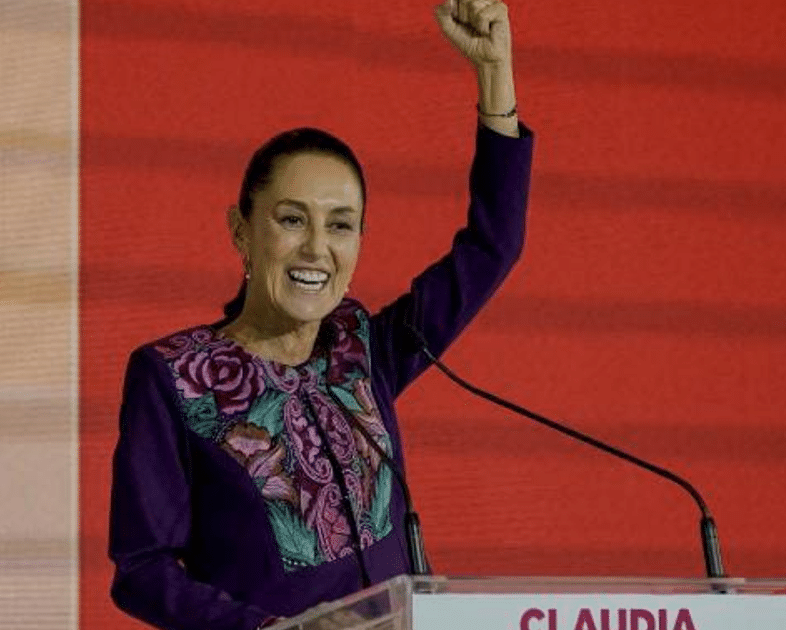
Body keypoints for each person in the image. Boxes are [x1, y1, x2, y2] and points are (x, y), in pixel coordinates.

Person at [108, 1, 534, 628]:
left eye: (341, 225)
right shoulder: (172, 377)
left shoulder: (364, 349)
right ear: (241, 230)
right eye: (290, 219)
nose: (316, 248)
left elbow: (492, 247)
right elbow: (141, 571)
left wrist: (496, 78)